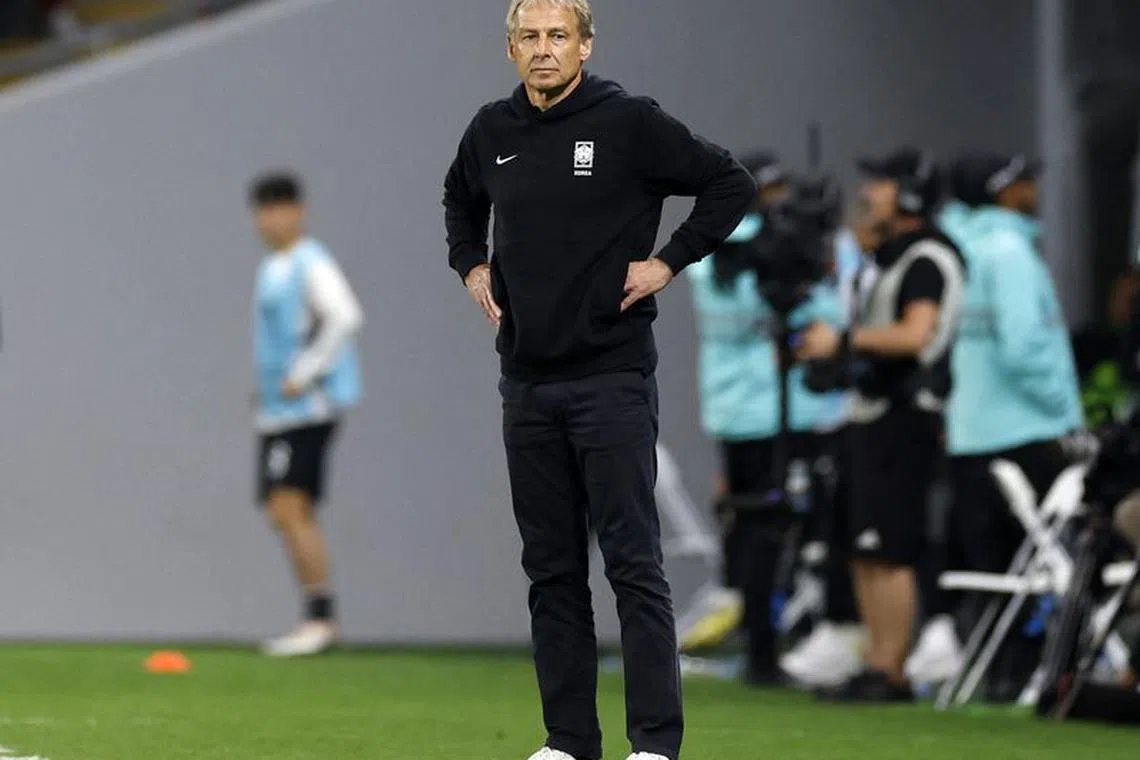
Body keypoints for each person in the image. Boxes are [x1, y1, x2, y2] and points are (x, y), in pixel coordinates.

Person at [442, 1, 754, 757]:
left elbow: (728, 183)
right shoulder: (493, 131)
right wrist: (472, 262)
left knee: (633, 565)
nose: (544, 50)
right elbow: (459, 200)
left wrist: (666, 262)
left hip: (610, 378)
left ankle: (653, 744)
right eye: (530, 38)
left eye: (558, 37)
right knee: (551, 572)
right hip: (526, 382)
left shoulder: (627, 122)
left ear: (585, 45)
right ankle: (570, 740)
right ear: (510, 49)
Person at [798, 147, 966, 701]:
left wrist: (843, 342)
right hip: (873, 412)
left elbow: (916, 334)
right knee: (865, 549)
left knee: (890, 550)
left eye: (884, 183)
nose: (870, 193)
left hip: (904, 417)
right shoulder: (892, 256)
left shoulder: (926, 258)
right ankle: (877, 660)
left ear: (911, 194)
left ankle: (892, 670)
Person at [681, 152, 852, 686]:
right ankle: (784, 644)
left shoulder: (708, 248)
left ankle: (765, 643)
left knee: (754, 528)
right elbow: (823, 321)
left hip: (736, 410)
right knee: (798, 527)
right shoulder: (775, 250)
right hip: (790, 411)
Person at [945, 153, 1084, 699]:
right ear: (1004, 193)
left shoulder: (962, 249)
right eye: (1023, 182)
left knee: (995, 569)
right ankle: (1032, 677)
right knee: (1038, 567)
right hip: (1027, 431)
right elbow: (1026, 348)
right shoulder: (1010, 252)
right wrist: (1064, 412)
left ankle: (1001, 678)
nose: (1033, 190)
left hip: (971, 432)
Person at [249, 172, 364, 657]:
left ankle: (320, 618)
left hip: (307, 407)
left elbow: (345, 316)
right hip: (277, 411)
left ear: (299, 210)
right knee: (282, 509)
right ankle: (316, 613)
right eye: (262, 208)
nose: (271, 218)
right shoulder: (270, 267)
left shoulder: (311, 261)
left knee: (290, 505)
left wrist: (306, 370)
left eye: (281, 206)